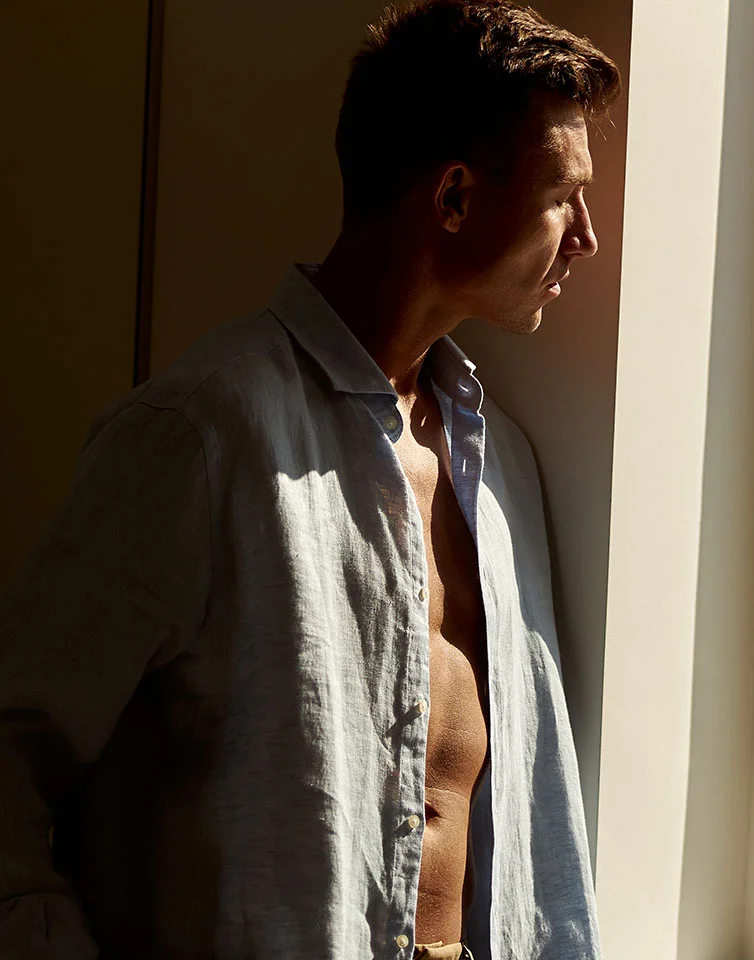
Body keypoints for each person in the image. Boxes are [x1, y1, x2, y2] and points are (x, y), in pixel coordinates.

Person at [0, 1, 620, 958]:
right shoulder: (203, 436)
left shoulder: (501, 471)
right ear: (453, 198)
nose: (584, 236)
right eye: (560, 197)